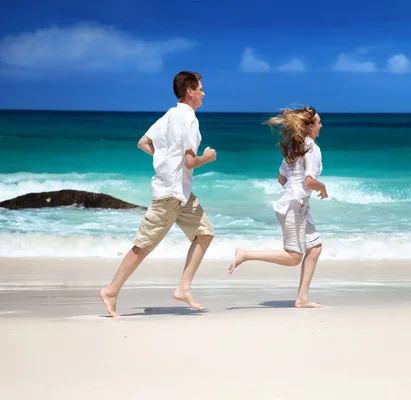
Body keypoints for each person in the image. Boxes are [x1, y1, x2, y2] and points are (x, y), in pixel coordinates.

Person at [100, 71, 216, 318]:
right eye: (201, 89)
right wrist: (206, 158)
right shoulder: (189, 120)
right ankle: (110, 291)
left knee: (204, 233)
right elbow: (189, 162)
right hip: (170, 194)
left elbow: (143, 142)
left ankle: (183, 288)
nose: (204, 93)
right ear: (190, 92)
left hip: (180, 193)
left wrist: (165, 160)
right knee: (143, 246)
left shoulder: (169, 115)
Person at [228, 105, 327, 308]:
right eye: (318, 122)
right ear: (309, 126)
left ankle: (302, 298)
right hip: (294, 207)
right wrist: (322, 187)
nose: (321, 125)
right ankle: (246, 254)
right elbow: (309, 182)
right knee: (293, 258)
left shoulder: (295, 148)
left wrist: (294, 191)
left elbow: (281, 178)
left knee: (315, 247)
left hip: (296, 205)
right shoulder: (313, 149)